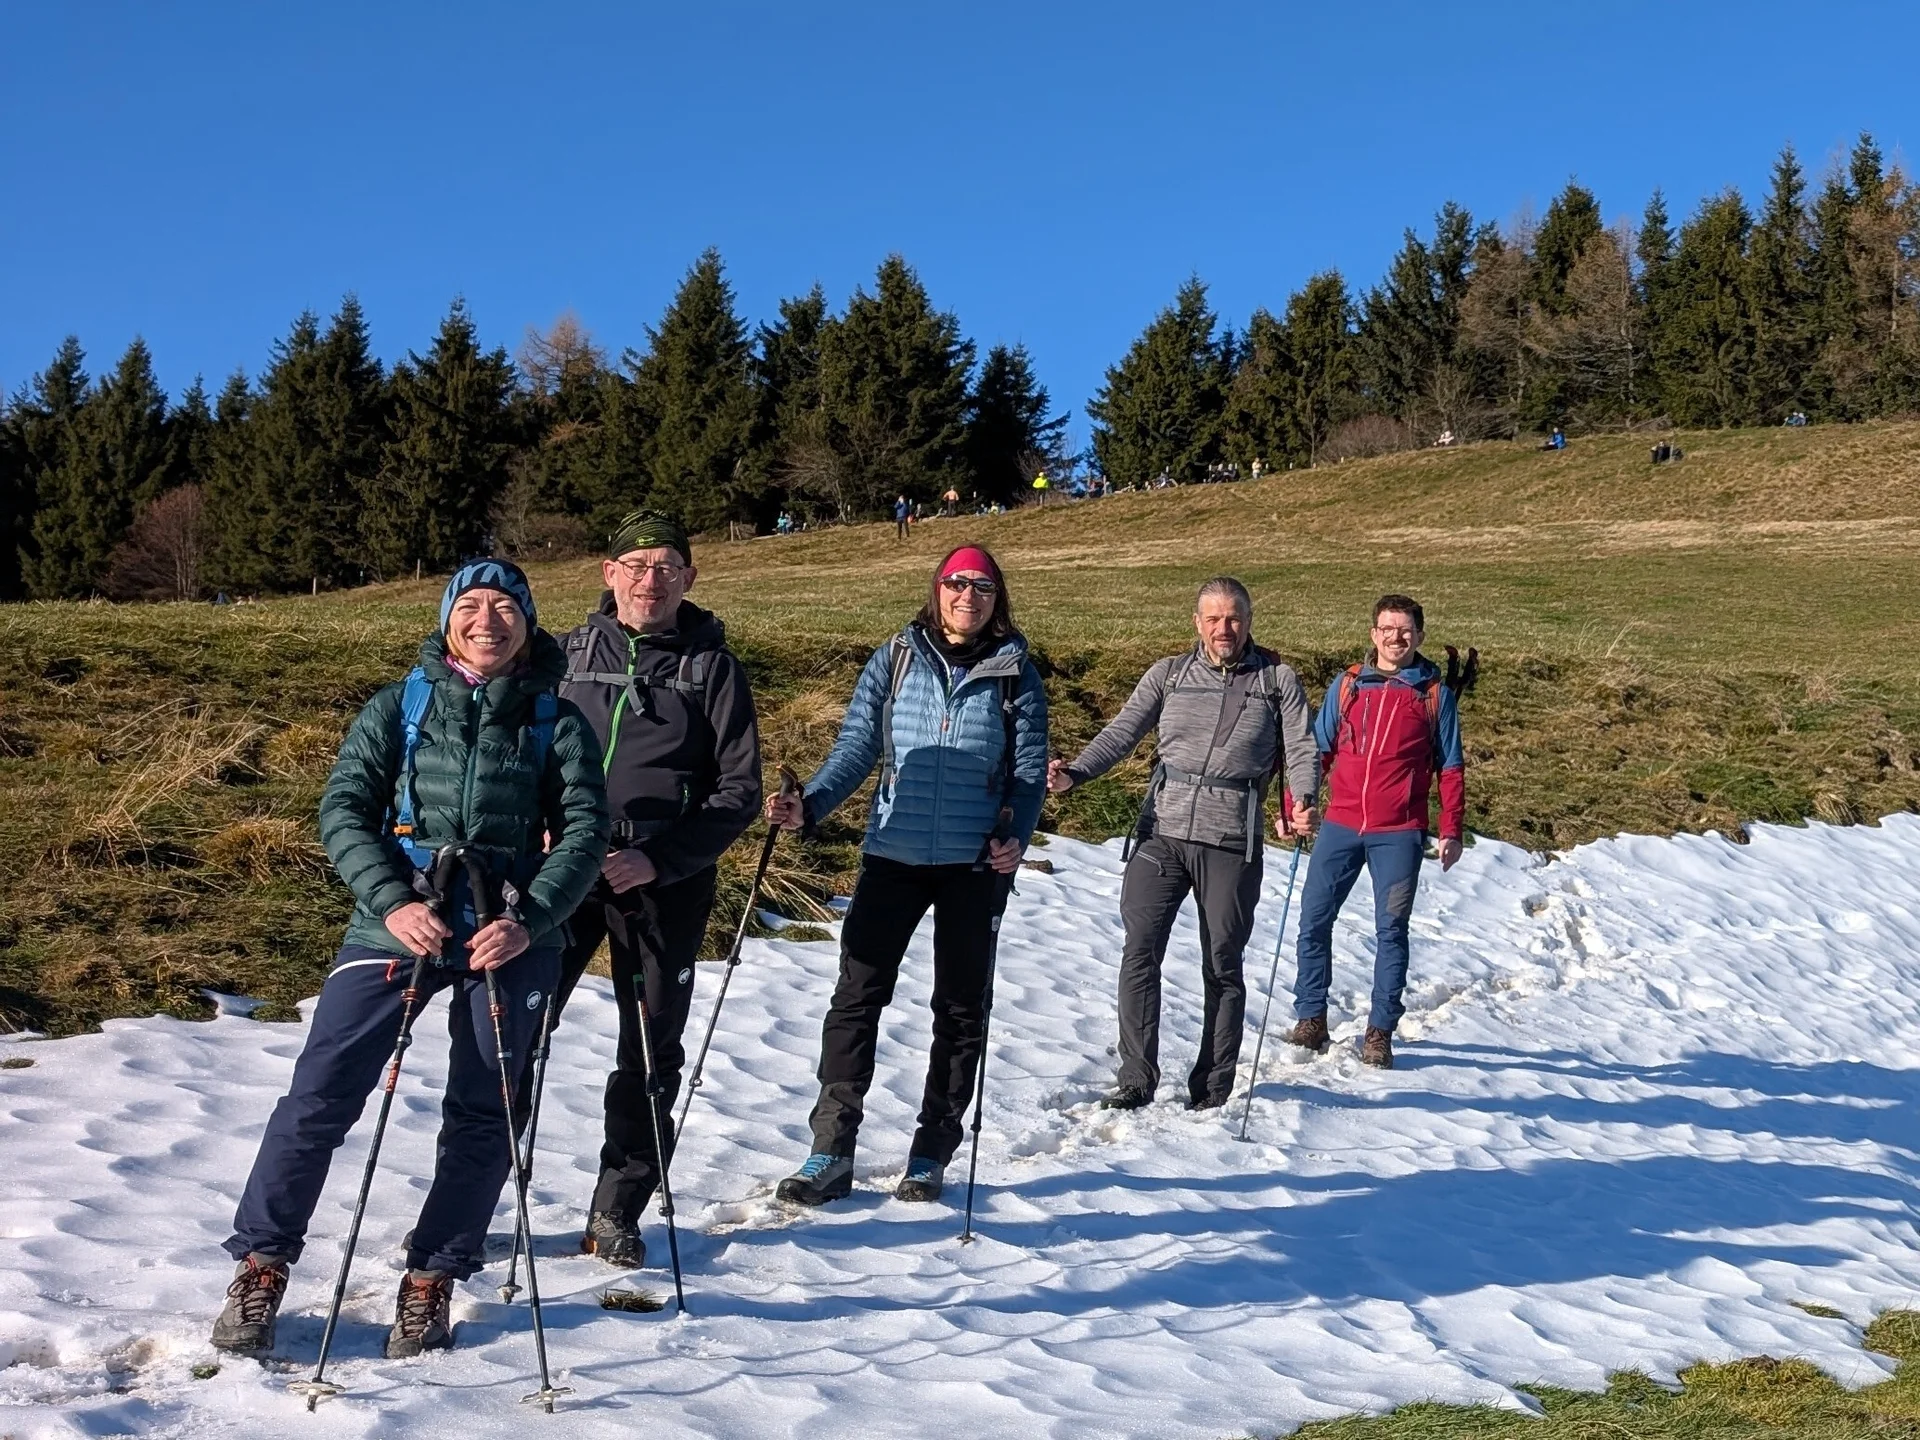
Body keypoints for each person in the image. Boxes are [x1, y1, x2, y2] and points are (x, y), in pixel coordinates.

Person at [211, 560, 609, 1359]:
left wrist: (530, 919)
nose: (487, 621)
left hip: (508, 932)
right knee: (319, 1095)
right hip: (398, 924)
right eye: (471, 606)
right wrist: (392, 900)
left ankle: (432, 1279)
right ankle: (261, 1265)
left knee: (485, 1108)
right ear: (446, 617)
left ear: (529, 623)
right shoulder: (399, 706)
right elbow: (344, 809)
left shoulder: (554, 719)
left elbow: (585, 831)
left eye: (505, 608)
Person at [766, 544, 1048, 1205]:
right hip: (891, 854)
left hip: (973, 865)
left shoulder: (1017, 675)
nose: (966, 596)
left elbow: (1029, 770)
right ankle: (830, 1150)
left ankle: (930, 1155)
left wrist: (1015, 837)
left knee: (958, 1008)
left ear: (995, 597)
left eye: (981, 586)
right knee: (856, 999)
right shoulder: (895, 658)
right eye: (956, 583)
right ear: (937, 590)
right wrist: (809, 805)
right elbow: (856, 748)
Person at [538, 510, 763, 1268]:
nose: (650, 578)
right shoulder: (561, 655)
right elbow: (521, 750)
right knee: (512, 1037)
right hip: (559, 876)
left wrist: (660, 861)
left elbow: (739, 791)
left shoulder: (713, 668)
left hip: (663, 881)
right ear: (607, 575)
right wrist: (538, 829)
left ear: (689, 578)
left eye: (666, 564)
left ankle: (616, 1208)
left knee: (649, 1047)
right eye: (634, 563)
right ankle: (470, 1203)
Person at [1048, 578, 1318, 1111]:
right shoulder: (1168, 674)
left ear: (1249, 620)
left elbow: (1302, 746)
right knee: (1139, 951)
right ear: (1197, 622)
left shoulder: (1277, 680)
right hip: (1161, 834)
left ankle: (1212, 1087)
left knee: (1222, 961)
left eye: (1234, 618)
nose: (1224, 628)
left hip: (1230, 840)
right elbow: (1121, 732)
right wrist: (1075, 774)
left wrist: (1303, 799)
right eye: (1213, 618)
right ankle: (1136, 1078)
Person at [1286, 594, 1465, 1070]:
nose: (1395, 637)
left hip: (1400, 830)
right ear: (1373, 634)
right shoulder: (1347, 686)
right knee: (1313, 920)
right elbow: (1316, 751)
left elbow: (1450, 767)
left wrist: (1451, 829)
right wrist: (1296, 804)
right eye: (1386, 628)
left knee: (1391, 931)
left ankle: (1380, 1031)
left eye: (1404, 630)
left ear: (1419, 637)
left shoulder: (1433, 695)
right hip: (1340, 824)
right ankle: (1311, 1017)